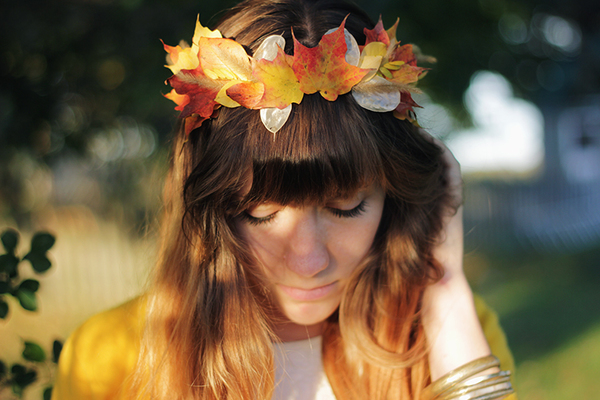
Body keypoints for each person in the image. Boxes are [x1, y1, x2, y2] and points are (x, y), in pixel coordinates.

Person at [53, 0, 517, 399]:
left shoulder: (449, 333)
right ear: (208, 211)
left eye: (346, 207)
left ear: (398, 199)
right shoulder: (108, 357)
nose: (309, 259)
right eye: (261, 213)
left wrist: (443, 285)